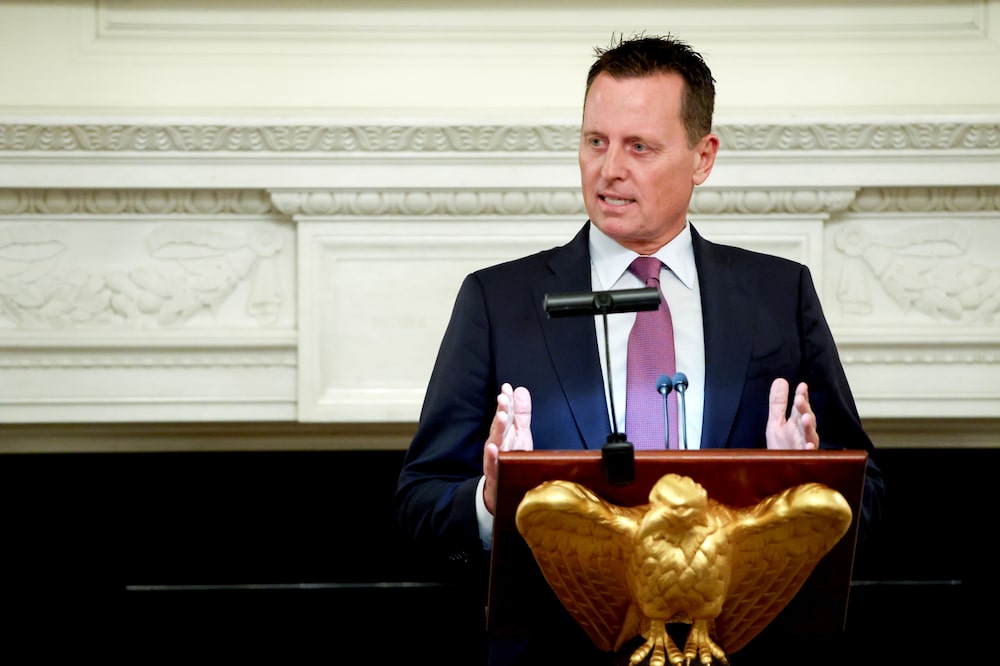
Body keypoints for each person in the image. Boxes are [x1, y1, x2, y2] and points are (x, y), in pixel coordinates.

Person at [394, 33, 884, 665]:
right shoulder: (498, 301)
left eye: (639, 148)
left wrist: (802, 483)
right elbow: (418, 502)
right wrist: (491, 503)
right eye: (595, 141)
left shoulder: (777, 294)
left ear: (702, 157)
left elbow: (870, 496)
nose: (609, 169)